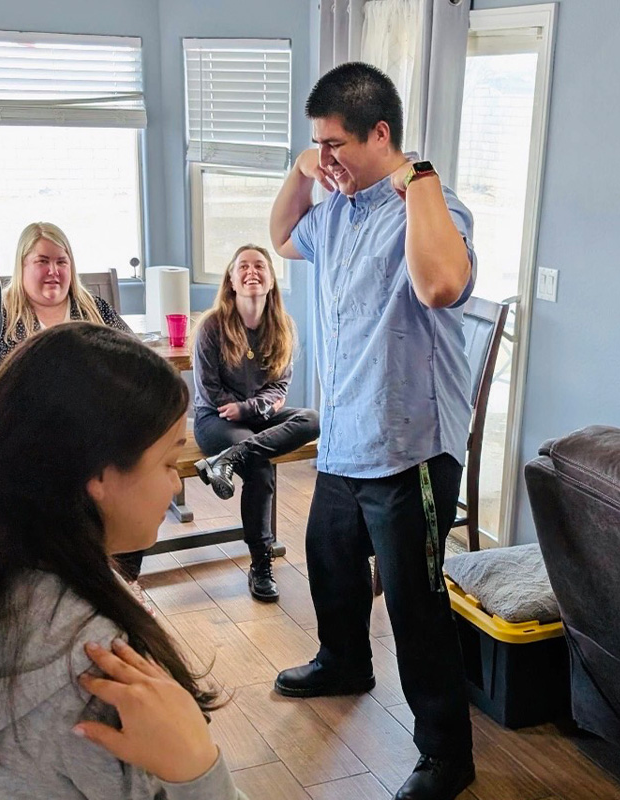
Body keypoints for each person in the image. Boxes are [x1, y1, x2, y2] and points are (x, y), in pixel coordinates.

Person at [0, 322, 243, 800]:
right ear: (99, 476)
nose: (177, 485)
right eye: (170, 464)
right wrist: (199, 770)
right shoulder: (102, 678)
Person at [269, 62, 477, 800]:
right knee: (328, 558)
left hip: (409, 445)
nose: (325, 158)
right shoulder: (339, 208)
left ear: (380, 134)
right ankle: (343, 662)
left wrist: (418, 177)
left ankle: (446, 754)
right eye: (317, 144)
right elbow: (282, 233)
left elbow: (441, 285)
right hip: (347, 433)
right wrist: (305, 167)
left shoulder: (433, 204)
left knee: (417, 605)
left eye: (334, 144)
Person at [191, 243, 320, 602]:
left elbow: (280, 386)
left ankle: (229, 459)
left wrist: (249, 409)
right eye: (243, 266)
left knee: (312, 419)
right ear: (231, 280)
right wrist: (245, 410)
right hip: (214, 419)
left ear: (271, 280)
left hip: (254, 417)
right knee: (260, 467)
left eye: (260, 266)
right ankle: (261, 563)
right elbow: (210, 390)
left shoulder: (282, 326)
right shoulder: (211, 326)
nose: (252, 272)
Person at [0, 221, 133, 367]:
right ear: (22, 265)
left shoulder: (97, 309)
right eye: (42, 261)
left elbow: (134, 358)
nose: (53, 271)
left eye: (61, 262)